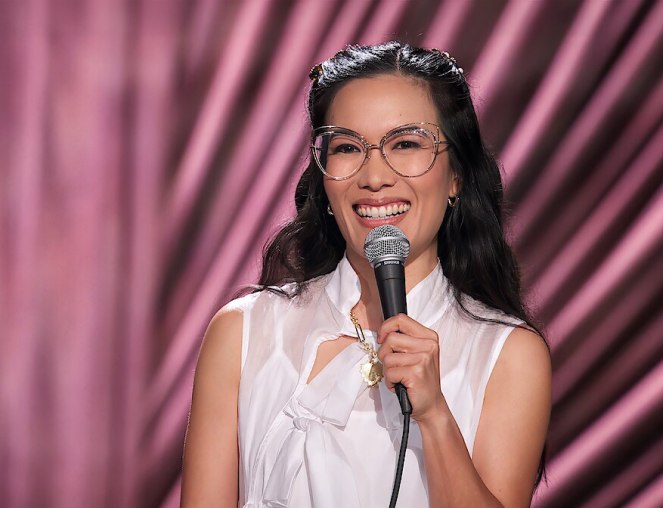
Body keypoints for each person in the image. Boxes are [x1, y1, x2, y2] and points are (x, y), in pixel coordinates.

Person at [181, 41, 551, 507]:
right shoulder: (244, 332)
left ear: (456, 176)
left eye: (406, 144)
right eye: (348, 147)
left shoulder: (507, 354)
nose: (374, 176)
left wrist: (435, 416)